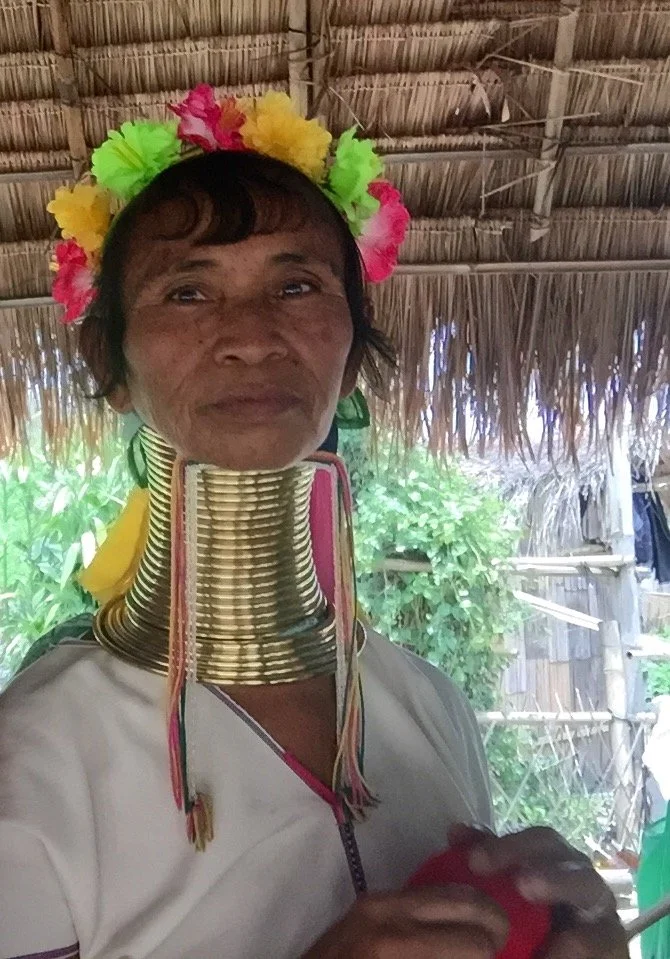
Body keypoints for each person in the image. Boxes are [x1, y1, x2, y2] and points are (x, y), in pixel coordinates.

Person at [0, 87, 628, 959]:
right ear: (112, 364)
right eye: (187, 292)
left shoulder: (427, 705)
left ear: (353, 350)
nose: (250, 336)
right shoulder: (36, 750)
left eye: (297, 284)